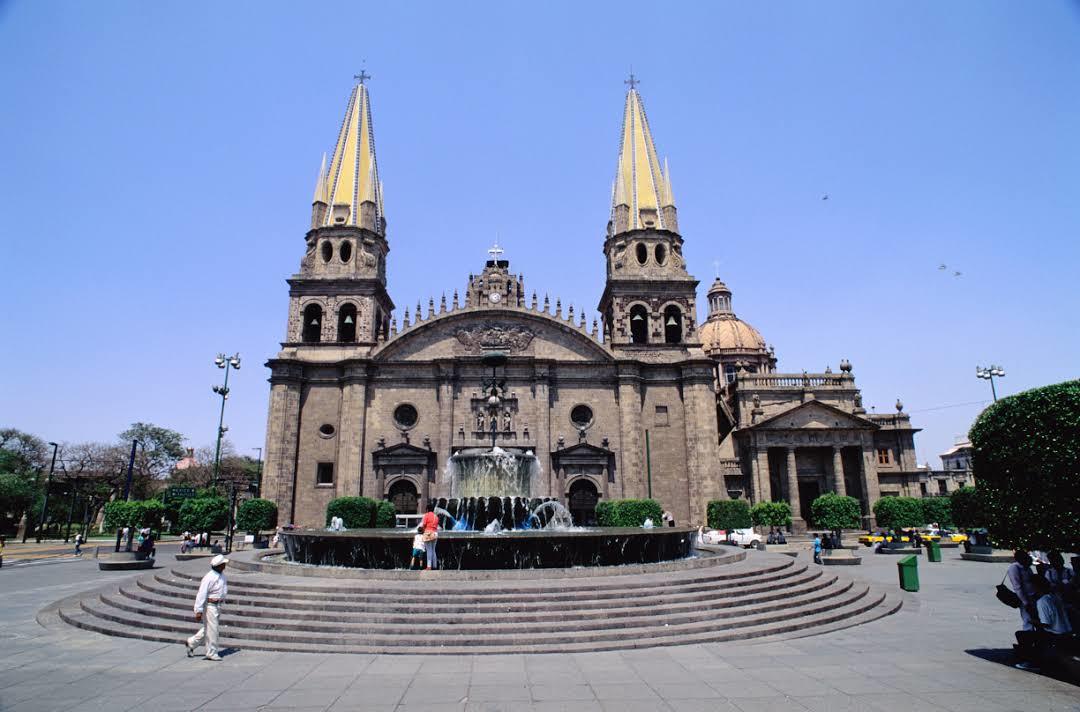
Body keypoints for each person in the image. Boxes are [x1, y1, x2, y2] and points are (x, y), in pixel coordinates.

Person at [1014, 574, 1074, 671]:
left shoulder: (1042, 601)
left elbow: (1046, 624)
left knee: (1022, 635)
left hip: (1056, 634)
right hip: (1067, 631)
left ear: (1035, 586)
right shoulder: (1055, 597)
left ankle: (1033, 662)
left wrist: (1032, 621)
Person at [187, 554, 229, 661]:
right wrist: (198, 610)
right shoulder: (209, 577)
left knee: (209, 628)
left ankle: (191, 643)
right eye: (223, 564)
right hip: (210, 606)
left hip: (218, 605)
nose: (225, 565)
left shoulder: (222, 575)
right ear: (219, 565)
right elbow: (201, 594)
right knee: (213, 630)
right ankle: (211, 652)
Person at [1007, 550, 1040, 632]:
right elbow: (1017, 586)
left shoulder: (1027, 568)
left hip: (1034, 596)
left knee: (1036, 617)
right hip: (1025, 597)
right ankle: (1028, 636)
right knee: (1028, 619)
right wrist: (1025, 602)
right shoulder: (1014, 568)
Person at [421, 504, 439, 570]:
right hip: (435, 533)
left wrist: (422, 530)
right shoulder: (436, 516)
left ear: (427, 509)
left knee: (429, 550)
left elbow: (424, 525)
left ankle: (429, 566)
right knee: (433, 550)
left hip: (428, 533)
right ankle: (434, 565)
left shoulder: (426, 515)